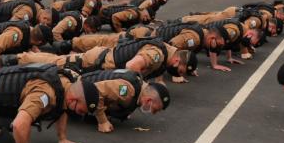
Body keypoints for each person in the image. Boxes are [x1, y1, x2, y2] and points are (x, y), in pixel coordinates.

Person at [12, 37, 195, 82]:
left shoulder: (168, 50)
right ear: (178, 61)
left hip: (103, 59)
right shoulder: (158, 54)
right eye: (179, 71)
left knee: (58, 61)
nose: (177, 75)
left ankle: (21, 59)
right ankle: (18, 59)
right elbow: (132, 67)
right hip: (99, 61)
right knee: (56, 63)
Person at [69, 69, 171, 135]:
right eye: (155, 110)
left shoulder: (138, 87)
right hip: (73, 88)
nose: (153, 113)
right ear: (148, 100)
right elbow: (96, 92)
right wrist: (102, 121)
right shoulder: (128, 90)